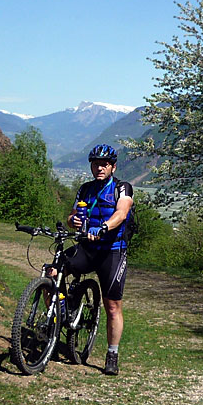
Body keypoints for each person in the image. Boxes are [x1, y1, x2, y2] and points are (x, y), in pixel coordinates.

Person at [66, 143, 133, 376]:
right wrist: (72, 221)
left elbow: (121, 213)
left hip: (112, 250)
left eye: (104, 164)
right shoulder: (85, 189)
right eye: (95, 164)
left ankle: (112, 353)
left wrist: (104, 227)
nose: (99, 168)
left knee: (112, 306)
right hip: (87, 246)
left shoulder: (122, 188)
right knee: (52, 271)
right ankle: (59, 316)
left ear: (113, 167)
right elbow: (73, 215)